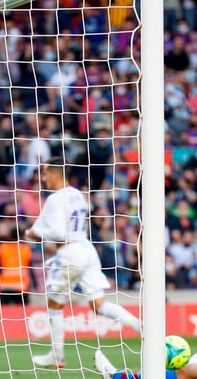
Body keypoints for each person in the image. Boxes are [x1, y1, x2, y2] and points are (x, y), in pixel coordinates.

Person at [25, 157, 141, 367]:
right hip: (87, 250)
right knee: (98, 304)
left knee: (54, 303)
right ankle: (139, 326)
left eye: (45, 173)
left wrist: (35, 232)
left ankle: (57, 356)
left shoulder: (54, 199)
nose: (44, 178)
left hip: (70, 252)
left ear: (54, 173)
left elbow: (58, 232)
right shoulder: (77, 195)